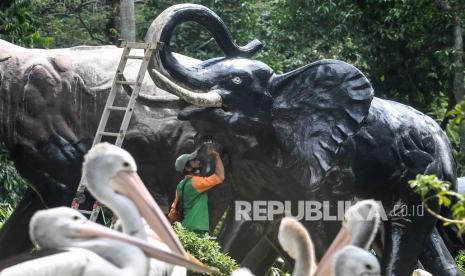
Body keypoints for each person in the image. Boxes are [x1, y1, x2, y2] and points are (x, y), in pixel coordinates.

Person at [168, 145, 224, 234]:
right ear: (188, 168)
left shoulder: (181, 185)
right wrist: (216, 156)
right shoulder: (195, 183)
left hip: (185, 228)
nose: (198, 161)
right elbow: (220, 176)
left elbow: (173, 212)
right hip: (197, 229)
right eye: (194, 161)